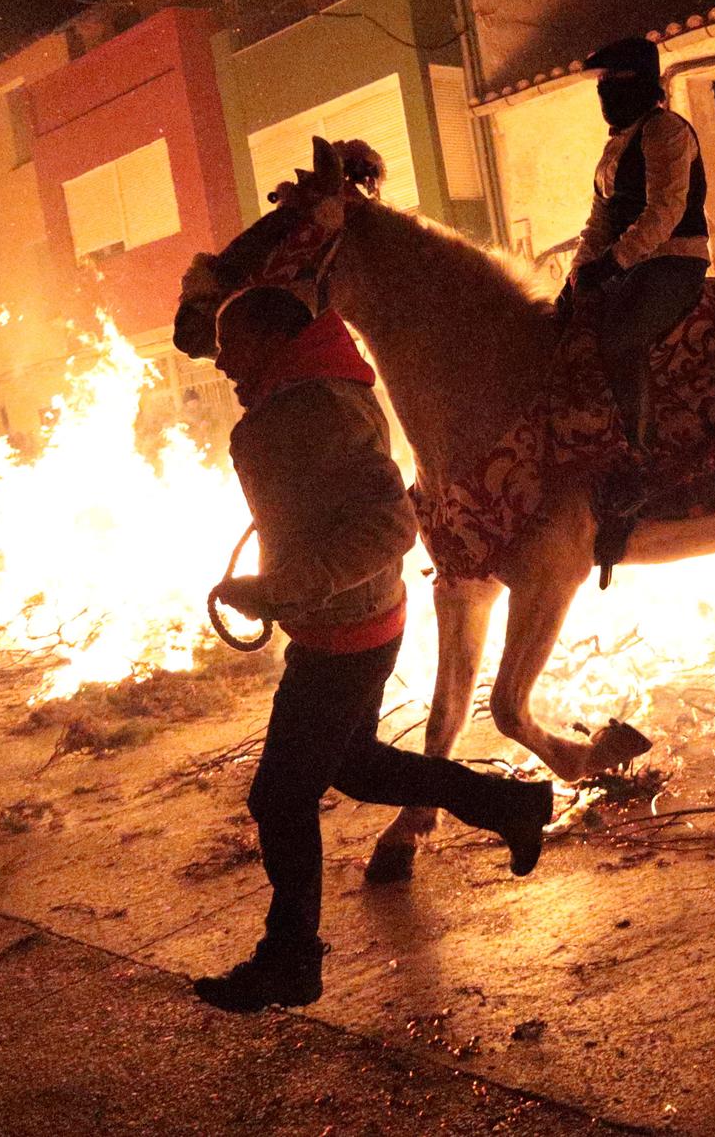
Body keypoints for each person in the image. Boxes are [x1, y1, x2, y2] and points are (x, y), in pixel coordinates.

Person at [196, 287, 554, 1012]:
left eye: (231, 340)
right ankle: (512, 804)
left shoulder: (321, 406)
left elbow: (390, 524)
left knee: (279, 797)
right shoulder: (301, 395)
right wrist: (276, 585)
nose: (221, 358)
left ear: (273, 336)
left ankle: (291, 958)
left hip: (343, 633)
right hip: (350, 621)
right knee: (355, 766)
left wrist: (282, 587)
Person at [559, 36, 710, 489]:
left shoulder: (667, 132)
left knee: (621, 338)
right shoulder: (616, 148)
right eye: (601, 88)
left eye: (613, 86)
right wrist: (578, 276)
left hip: (672, 263)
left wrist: (613, 264)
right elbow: (599, 221)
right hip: (628, 266)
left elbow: (663, 211)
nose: (604, 97)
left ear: (641, 87)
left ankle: (642, 458)